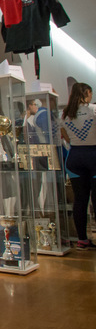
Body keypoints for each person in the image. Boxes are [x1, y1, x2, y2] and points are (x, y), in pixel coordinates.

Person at [60, 82, 96, 249]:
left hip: (74, 157)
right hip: (93, 155)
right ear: (86, 93)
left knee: (80, 200)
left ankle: (82, 240)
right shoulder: (93, 110)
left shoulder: (66, 114)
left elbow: (65, 137)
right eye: (90, 93)